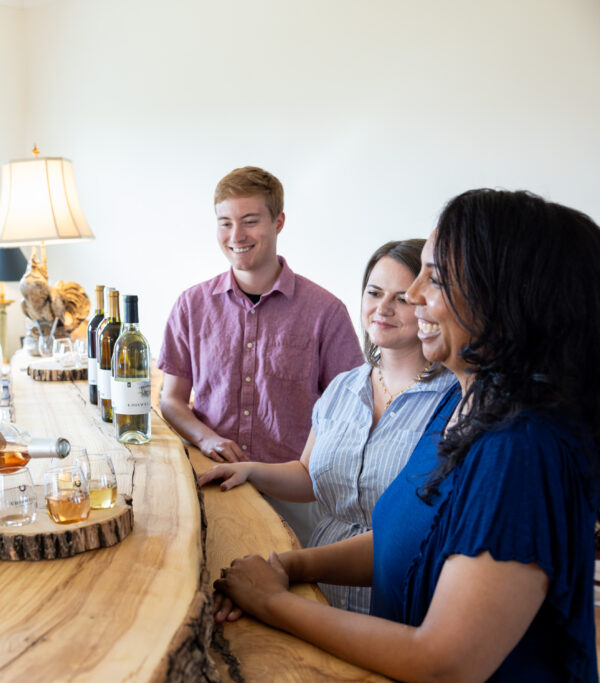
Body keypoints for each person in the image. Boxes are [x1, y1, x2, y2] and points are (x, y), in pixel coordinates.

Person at [214, 189, 600, 681]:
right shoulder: (460, 405)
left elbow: (445, 662)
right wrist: (291, 568)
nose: (413, 296)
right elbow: (405, 537)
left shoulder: (519, 449)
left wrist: (270, 601)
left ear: (507, 298)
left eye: (433, 278)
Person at [198, 239, 454, 613]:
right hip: (317, 584)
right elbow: (308, 474)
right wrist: (250, 470)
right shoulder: (343, 387)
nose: (382, 308)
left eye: (401, 298)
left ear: (429, 304)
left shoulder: (452, 401)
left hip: (398, 592)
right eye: (375, 292)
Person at [158, 166, 363, 543]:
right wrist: (206, 439)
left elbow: (350, 413)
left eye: (250, 221)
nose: (236, 236)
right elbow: (171, 400)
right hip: (210, 484)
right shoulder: (190, 306)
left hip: (296, 496)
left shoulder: (325, 311)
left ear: (278, 221)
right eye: (225, 223)